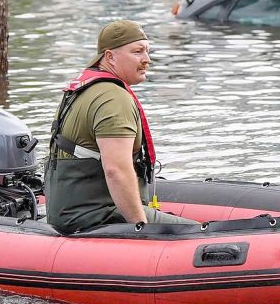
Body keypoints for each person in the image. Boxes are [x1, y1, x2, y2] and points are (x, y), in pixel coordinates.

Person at [45, 20, 197, 233]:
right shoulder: (113, 99)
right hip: (97, 215)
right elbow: (116, 170)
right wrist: (141, 227)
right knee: (202, 234)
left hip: (68, 212)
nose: (147, 60)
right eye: (137, 52)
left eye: (147, 51)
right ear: (109, 57)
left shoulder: (83, 89)